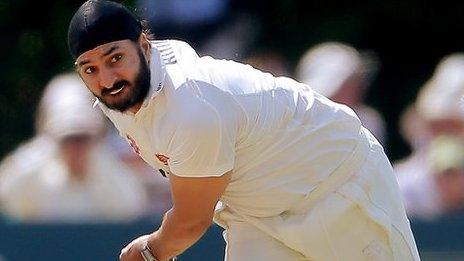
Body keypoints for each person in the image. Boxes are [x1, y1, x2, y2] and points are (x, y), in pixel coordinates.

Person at [67, 1, 420, 260]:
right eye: (90, 69)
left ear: (145, 46)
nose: (107, 79)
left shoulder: (191, 106)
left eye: (116, 58)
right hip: (256, 212)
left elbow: (190, 222)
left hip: (337, 186)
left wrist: (148, 251)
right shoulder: (124, 95)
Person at [0, 72, 148, 223]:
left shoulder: (110, 174)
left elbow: (131, 207)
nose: (76, 147)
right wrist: (45, 145)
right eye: (68, 139)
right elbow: (7, 197)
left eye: (83, 138)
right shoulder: (35, 172)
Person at [296, 42, 387, 144]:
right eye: (346, 84)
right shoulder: (297, 120)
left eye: (356, 81)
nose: (355, 89)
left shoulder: (369, 121)